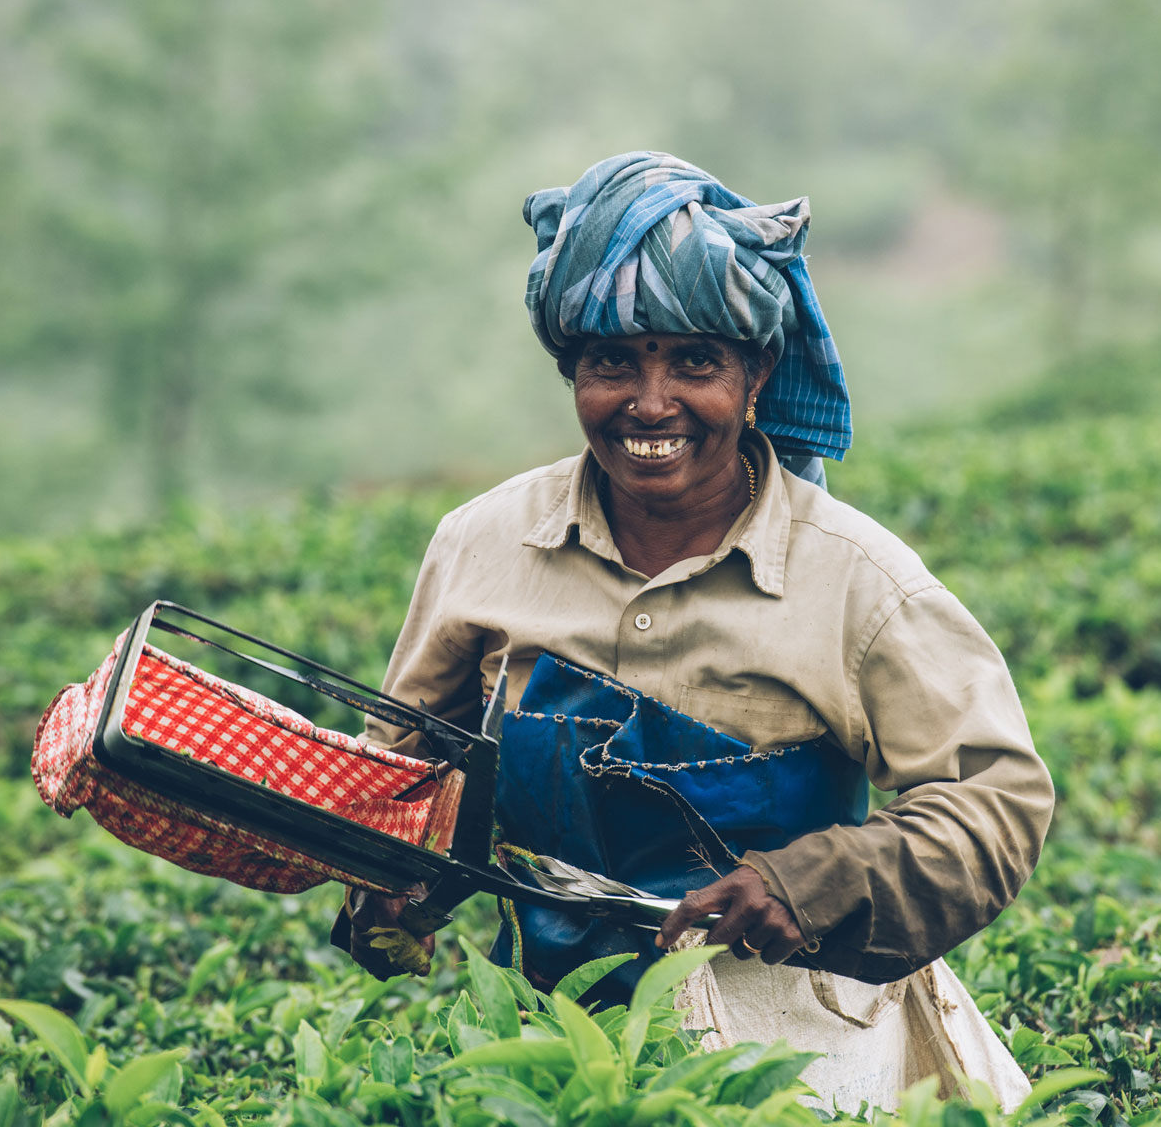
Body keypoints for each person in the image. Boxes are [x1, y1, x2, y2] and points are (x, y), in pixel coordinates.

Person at [345, 151, 1053, 1106]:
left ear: (756, 372)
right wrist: (392, 882)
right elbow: (408, 771)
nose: (650, 402)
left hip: (797, 1059)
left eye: (695, 362)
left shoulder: (856, 582)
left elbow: (996, 802)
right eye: (611, 364)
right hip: (546, 1058)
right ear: (571, 372)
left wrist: (821, 877)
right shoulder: (482, 546)